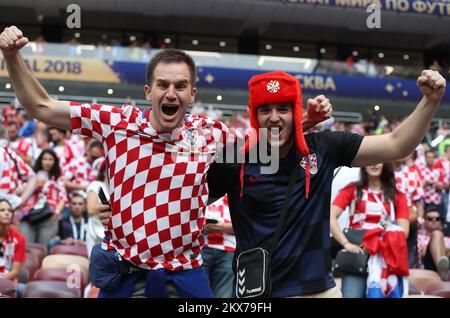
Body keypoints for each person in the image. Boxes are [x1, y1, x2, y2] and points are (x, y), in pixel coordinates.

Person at [0, 26, 334, 298]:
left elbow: (265, 142)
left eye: (180, 86)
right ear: (149, 91)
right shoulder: (115, 121)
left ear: (193, 95)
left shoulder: (210, 134)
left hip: (186, 279)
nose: (170, 93)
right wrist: (12, 57)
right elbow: (42, 107)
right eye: (163, 85)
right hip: (125, 277)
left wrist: (305, 122)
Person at [206, 68, 445, 298]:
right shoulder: (235, 159)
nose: (274, 117)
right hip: (259, 293)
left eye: (283, 109)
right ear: (254, 115)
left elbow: (396, 144)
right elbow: (192, 201)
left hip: (320, 291)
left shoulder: (323, 148)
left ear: (296, 112)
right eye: (265, 110)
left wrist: (430, 101)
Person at [330, 163, 410, 298]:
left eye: (379, 160)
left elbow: (404, 232)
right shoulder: (352, 189)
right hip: (356, 255)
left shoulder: (397, 195)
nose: (374, 164)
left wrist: (375, 243)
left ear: (385, 164)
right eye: (371, 160)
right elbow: (331, 216)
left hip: (385, 258)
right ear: (364, 166)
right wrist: (346, 244)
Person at [20, 149, 67, 249]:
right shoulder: (31, 177)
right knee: (27, 248)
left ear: (55, 162)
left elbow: (63, 198)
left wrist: (57, 212)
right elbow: (19, 192)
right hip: (29, 216)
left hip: (48, 217)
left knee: (43, 249)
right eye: (44, 159)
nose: (47, 162)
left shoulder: (58, 179)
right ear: (40, 161)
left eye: (51, 159)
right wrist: (34, 185)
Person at [201, 195, 235, 298]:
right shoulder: (200, 194)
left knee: (223, 294)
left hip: (228, 250)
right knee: (198, 292)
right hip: (201, 248)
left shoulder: (234, 196)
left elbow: (247, 225)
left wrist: (222, 227)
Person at [0, 199, 26, 296]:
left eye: (9, 211)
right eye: (2, 210)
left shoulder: (19, 238)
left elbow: (15, 271)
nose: (7, 213)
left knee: (24, 289)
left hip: (8, 280)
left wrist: (2, 281)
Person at [417, 205, 450, 280]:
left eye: (437, 219)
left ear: (441, 222)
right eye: (430, 219)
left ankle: (443, 269)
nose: (434, 220)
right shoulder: (418, 237)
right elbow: (422, 253)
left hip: (447, 263)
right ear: (424, 221)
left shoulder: (448, 239)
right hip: (427, 266)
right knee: (436, 234)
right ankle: (441, 269)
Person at [85, 158, 108, 257]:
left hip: (113, 234)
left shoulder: (117, 188)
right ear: (103, 171)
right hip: (96, 232)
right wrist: (110, 206)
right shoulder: (96, 185)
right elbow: (90, 210)